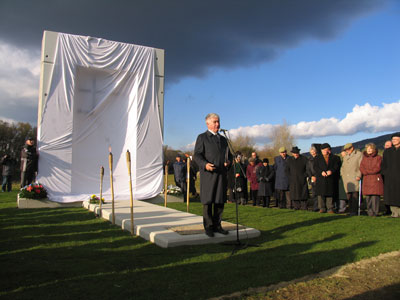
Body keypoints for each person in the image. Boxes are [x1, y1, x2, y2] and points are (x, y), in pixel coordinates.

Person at [194, 113, 232, 237]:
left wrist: (228, 162)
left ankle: (218, 225)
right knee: (208, 201)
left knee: (220, 201)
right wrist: (205, 164)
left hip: (221, 174)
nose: (217, 124)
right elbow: (197, 155)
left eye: (218, 121)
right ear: (208, 123)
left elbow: (229, 156)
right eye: (215, 122)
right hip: (209, 175)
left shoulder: (223, 139)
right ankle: (209, 227)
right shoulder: (202, 137)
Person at [314, 143, 340, 213]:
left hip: (330, 178)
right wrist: (321, 172)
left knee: (330, 194)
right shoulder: (317, 158)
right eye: (325, 150)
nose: (327, 151)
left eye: (328, 150)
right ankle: (322, 208)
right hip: (321, 179)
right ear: (322, 150)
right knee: (321, 194)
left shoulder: (334, 158)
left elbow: (336, 166)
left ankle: (330, 208)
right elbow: (315, 167)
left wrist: (331, 171)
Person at [360, 143, 383, 217]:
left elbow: (378, 167)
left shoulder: (378, 157)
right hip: (367, 180)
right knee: (368, 197)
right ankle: (369, 212)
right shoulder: (364, 158)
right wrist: (365, 172)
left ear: (374, 149)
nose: (369, 150)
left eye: (370, 148)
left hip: (375, 180)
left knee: (375, 197)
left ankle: (375, 212)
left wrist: (368, 172)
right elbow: (361, 167)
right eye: (367, 149)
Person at [341, 143, 363, 216]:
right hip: (347, 179)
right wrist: (342, 174)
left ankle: (354, 211)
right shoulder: (345, 156)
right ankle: (351, 211)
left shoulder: (359, 154)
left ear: (352, 148)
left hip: (354, 177)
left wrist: (359, 175)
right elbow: (343, 167)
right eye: (346, 150)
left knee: (355, 195)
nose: (346, 151)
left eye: (347, 149)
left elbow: (361, 166)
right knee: (349, 196)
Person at [381, 132, 400, 217]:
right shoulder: (387, 152)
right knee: (392, 195)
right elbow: (383, 164)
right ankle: (394, 213)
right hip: (390, 177)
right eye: (393, 139)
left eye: (396, 139)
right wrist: (385, 173)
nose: (394, 141)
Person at [307, 146, 318, 211]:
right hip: (312, 178)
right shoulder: (309, 160)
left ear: (315, 151)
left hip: (319, 177)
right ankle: (315, 207)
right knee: (314, 193)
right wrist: (311, 176)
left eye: (313, 151)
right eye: (311, 152)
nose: (312, 153)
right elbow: (308, 169)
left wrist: (316, 176)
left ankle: (321, 207)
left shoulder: (319, 158)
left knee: (320, 193)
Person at [383, 140, 393, 216]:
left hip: (393, 176)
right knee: (386, 194)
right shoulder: (384, 154)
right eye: (386, 146)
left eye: (388, 146)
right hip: (385, 176)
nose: (387, 147)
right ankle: (387, 209)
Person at [337, 149, 348, 213]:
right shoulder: (341, 161)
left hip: (348, 179)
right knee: (342, 195)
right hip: (342, 179)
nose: (342, 155)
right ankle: (342, 208)